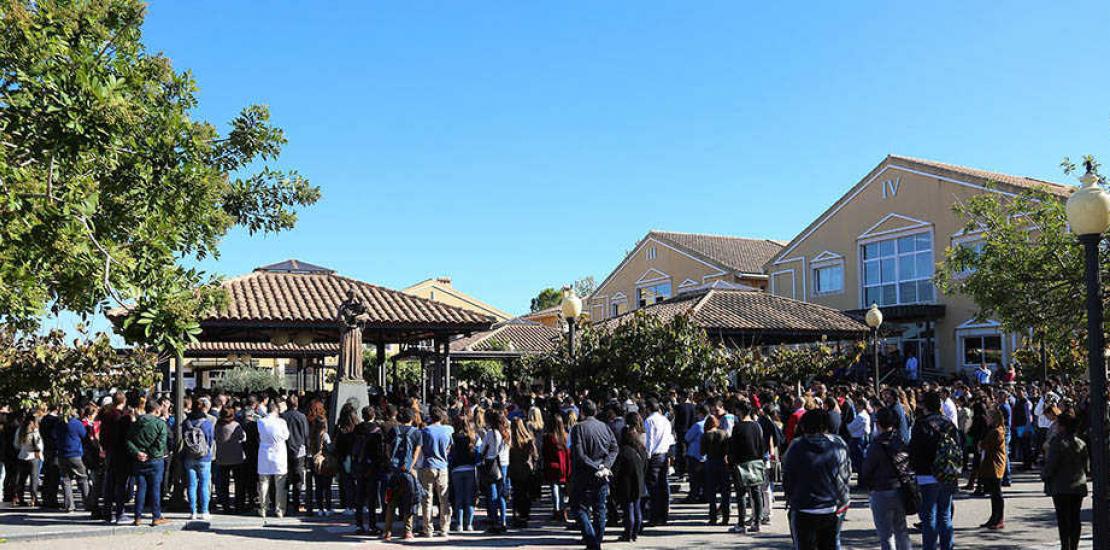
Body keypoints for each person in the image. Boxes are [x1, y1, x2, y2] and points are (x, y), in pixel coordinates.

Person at [782, 408, 850, 550]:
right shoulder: (838, 444)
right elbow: (845, 474)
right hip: (831, 505)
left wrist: (790, 496)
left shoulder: (796, 445)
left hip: (803, 506)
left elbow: (788, 476)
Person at [909, 391, 958, 550]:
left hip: (927, 474)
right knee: (945, 514)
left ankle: (929, 547)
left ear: (925, 405)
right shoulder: (948, 423)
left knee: (929, 515)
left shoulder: (921, 424)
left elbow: (915, 450)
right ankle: (947, 547)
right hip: (947, 472)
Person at [859, 407, 912, 550]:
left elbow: (867, 470)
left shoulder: (875, 445)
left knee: (886, 534)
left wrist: (868, 485)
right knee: (901, 530)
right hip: (900, 488)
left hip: (881, 490)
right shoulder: (900, 441)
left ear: (878, 424)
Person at [569, 399, 618, 550]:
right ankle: (596, 540)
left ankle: (593, 541)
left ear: (582, 412)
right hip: (600, 473)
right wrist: (604, 466)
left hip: (585, 474)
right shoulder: (604, 427)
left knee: (579, 508)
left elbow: (579, 454)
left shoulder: (578, 428)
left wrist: (601, 466)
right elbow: (614, 448)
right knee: (599, 508)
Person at [1043, 410, 1087, 550]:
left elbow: (1051, 464)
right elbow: (1086, 466)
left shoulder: (1057, 442)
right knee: (1075, 518)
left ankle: (1065, 546)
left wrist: (1045, 475)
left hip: (1061, 486)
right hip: (1078, 485)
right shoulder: (1081, 443)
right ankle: (1074, 546)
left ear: (1062, 426)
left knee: (1063, 519)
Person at [127, 399, 170, 527]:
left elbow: (129, 440)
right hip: (155, 460)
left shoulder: (136, 423)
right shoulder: (160, 424)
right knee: (155, 488)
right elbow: (160, 443)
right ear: (157, 410)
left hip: (139, 459)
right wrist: (150, 454)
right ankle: (156, 516)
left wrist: (137, 452)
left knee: (141, 489)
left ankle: (137, 517)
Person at [382, 407, 422, 541]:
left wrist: (393, 464)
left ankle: (387, 531)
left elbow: (387, 450)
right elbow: (416, 453)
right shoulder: (416, 433)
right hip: (408, 472)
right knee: (409, 500)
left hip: (394, 471)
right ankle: (407, 531)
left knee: (391, 501)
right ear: (412, 418)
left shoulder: (394, 430)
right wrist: (410, 466)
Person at [729, 400, 766, 534]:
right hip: (756, 461)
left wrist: (732, 462)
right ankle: (757, 521)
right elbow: (762, 444)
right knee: (756, 492)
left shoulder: (738, 427)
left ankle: (741, 523)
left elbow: (733, 447)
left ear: (739, 411)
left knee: (741, 494)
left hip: (741, 463)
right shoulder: (757, 426)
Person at [419, 407, 453, 537]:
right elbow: (449, 447)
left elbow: (422, 448)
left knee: (427, 499)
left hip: (428, 465)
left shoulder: (426, 431)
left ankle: (428, 529)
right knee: (444, 498)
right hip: (443, 466)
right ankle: (444, 528)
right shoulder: (448, 430)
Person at [610, 423, 647, 542]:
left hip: (627, 484)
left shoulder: (623, 451)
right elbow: (646, 465)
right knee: (637, 508)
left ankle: (628, 533)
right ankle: (635, 532)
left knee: (628, 510)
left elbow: (616, 470)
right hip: (639, 481)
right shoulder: (641, 449)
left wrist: (614, 482)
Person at [352, 406, 385, 536]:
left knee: (359, 496)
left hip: (360, 465)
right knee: (372, 497)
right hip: (373, 466)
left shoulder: (357, 429)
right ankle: (372, 524)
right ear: (373, 416)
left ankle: (359, 523)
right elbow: (379, 451)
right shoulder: (377, 430)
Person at [182, 397, 215, 520]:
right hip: (204, 457)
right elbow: (211, 440)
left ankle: (193, 511)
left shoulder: (186, 423)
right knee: (204, 484)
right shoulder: (207, 423)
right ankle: (205, 511)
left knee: (191, 485)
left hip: (189, 456)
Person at [642, 399, 674, 527]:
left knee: (654, 489)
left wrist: (647, 455)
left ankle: (654, 517)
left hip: (654, 456)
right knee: (663, 487)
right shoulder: (665, 420)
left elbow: (649, 440)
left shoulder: (649, 421)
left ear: (648, 408)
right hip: (664, 454)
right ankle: (663, 515)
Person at [256, 401, 290, 519]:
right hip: (279, 454)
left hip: (265, 454)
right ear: (276, 409)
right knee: (280, 484)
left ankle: (263, 508)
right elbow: (286, 436)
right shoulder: (281, 422)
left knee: (263, 483)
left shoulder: (261, 422)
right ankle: (279, 509)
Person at [55, 405, 91, 513]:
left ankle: (69, 506)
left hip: (62, 454)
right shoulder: (77, 424)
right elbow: (85, 437)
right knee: (83, 479)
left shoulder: (58, 424)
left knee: (66, 480)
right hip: (75, 454)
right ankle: (88, 503)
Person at [480, 408, 509, 534]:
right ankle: (503, 520)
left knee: (492, 493)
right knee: (502, 494)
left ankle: (494, 519)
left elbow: (481, 450)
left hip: (492, 463)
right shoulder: (507, 433)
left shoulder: (490, 433)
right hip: (504, 463)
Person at [449, 414, 479, 532]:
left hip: (456, 469)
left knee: (459, 498)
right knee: (470, 498)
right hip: (470, 468)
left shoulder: (453, 436)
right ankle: (469, 524)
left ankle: (459, 524)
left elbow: (450, 453)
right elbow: (478, 452)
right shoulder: (473, 437)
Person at [214, 406, 246, 514]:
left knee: (224, 483)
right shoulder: (236, 425)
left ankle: (225, 505)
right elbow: (242, 437)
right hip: (236, 457)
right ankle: (239, 505)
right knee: (239, 483)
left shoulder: (217, 426)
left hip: (222, 457)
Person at [977, 408, 1006, 530]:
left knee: (997, 493)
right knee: (993, 494)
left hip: (995, 465)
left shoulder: (997, 431)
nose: (986, 419)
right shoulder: (992, 430)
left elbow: (986, 445)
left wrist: (981, 444)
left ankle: (999, 519)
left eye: (988, 417)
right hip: (990, 464)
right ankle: (994, 517)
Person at [700, 414, 731, 526]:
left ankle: (713, 517)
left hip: (710, 463)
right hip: (723, 463)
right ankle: (726, 517)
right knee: (725, 492)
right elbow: (728, 449)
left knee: (712, 492)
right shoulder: (723, 433)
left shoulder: (705, 435)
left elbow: (702, 452)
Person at [508, 417, 538, 528]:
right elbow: (535, 455)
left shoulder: (510, 442)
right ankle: (525, 515)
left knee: (516, 493)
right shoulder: (529, 441)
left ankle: (516, 515)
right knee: (526, 494)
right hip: (526, 470)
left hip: (514, 471)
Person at [281, 395, 308, 516]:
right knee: (298, 478)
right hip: (299, 450)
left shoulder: (283, 417)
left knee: (285, 477)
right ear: (297, 404)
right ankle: (297, 503)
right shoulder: (302, 416)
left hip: (285, 449)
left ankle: (285, 503)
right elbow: (306, 433)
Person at [306, 402, 334, 517]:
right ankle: (327, 507)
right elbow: (330, 447)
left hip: (314, 461)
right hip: (324, 462)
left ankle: (320, 508)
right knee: (326, 486)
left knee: (317, 486)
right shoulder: (325, 435)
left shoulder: (312, 434)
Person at [542, 415, 571, 522]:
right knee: (562, 490)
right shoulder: (566, 436)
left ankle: (556, 509)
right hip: (564, 465)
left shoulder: (549, 437)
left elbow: (544, 453)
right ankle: (563, 510)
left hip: (552, 465)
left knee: (554, 488)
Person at [14, 414, 44, 507]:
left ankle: (20, 497)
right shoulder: (35, 431)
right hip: (34, 457)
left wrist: (23, 449)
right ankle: (33, 498)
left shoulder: (19, 430)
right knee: (34, 479)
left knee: (21, 479)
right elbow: (39, 446)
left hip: (22, 456)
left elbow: (16, 444)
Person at [683, 405, 708, 504]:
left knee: (694, 478)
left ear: (700, 413)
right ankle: (705, 495)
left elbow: (687, 437)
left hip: (695, 454)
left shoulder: (698, 425)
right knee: (704, 478)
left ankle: (693, 496)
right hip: (706, 455)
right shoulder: (711, 423)